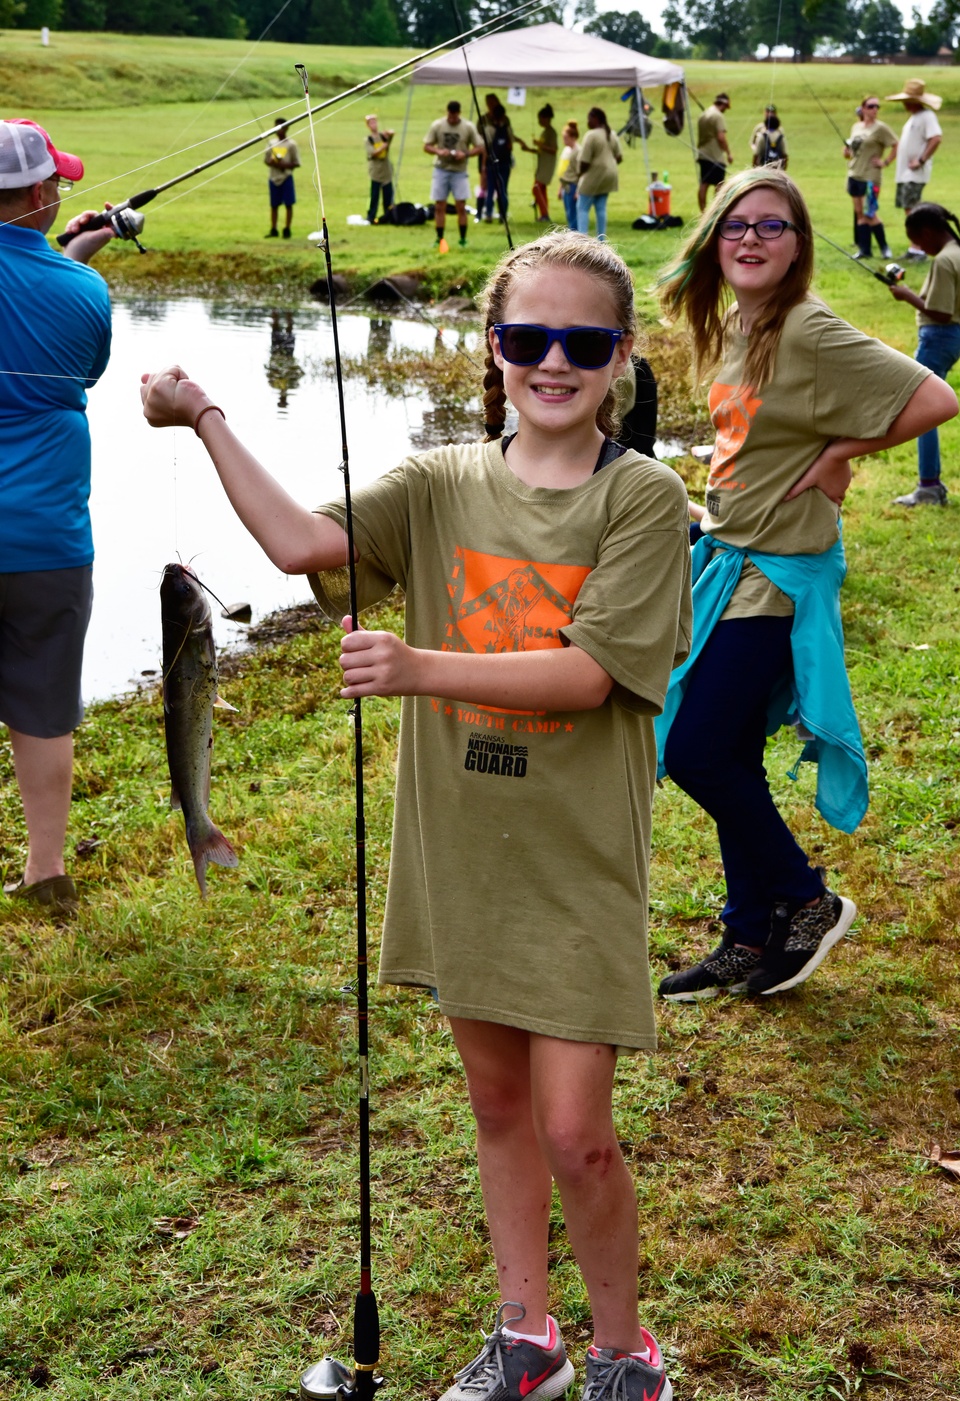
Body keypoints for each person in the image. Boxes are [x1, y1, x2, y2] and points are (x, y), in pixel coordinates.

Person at [140, 230, 692, 1401]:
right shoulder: (440, 481)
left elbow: (593, 675)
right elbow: (303, 546)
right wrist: (206, 418)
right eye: (525, 338)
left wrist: (416, 665)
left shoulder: (644, 498)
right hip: (460, 856)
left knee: (577, 1133)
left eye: (581, 343)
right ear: (491, 349)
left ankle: (624, 1351)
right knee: (497, 1109)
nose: (552, 362)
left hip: (578, 865)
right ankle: (526, 1335)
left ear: (620, 357)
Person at [654, 168, 958, 1001]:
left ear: (798, 247)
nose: (751, 238)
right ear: (715, 239)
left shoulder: (809, 330)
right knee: (733, 752)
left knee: (696, 751)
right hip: (730, 555)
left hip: (776, 573)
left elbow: (935, 396)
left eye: (772, 226)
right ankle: (750, 935)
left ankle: (806, 898)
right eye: (735, 225)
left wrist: (839, 454)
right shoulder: (733, 329)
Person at [0, 118, 115, 916]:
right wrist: (72, 259)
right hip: (46, 540)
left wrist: (59, 251)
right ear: (42, 195)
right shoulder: (85, 294)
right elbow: (77, 358)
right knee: (42, 705)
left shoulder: (71, 277)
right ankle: (46, 874)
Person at [888, 203, 960, 507]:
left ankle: (928, 487)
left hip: (938, 337)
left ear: (928, 232)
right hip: (953, 338)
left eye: (917, 240)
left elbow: (940, 312)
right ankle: (930, 485)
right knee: (926, 410)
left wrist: (907, 296)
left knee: (922, 413)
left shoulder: (943, 261)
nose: (919, 248)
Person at [884, 78, 944, 258]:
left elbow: (936, 138)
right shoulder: (914, 118)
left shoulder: (927, 116)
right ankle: (914, 247)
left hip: (914, 173)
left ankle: (919, 249)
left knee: (914, 210)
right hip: (905, 173)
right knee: (908, 208)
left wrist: (921, 159)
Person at [423, 99, 483, 250]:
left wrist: (465, 154)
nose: (452, 118)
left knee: (461, 206)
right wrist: (439, 151)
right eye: (450, 115)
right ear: (447, 112)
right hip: (441, 169)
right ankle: (439, 238)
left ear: (459, 113)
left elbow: (480, 147)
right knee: (439, 205)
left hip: (459, 171)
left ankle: (463, 239)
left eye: (455, 116)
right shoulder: (438, 125)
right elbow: (426, 146)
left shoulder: (467, 127)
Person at [843, 96, 896, 260]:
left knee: (870, 213)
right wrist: (847, 153)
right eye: (871, 106)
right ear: (863, 108)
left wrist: (885, 162)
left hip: (871, 177)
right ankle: (864, 250)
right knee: (859, 213)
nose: (875, 110)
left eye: (877, 107)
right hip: (854, 174)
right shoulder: (856, 127)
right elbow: (853, 149)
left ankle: (884, 248)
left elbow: (896, 144)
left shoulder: (881, 128)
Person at [576, 108, 622, 241]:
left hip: (594, 175)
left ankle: (581, 240)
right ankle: (602, 240)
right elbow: (619, 157)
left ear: (595, 118)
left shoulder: (591, 135)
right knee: (601, 208)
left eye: (589, 118)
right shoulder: (611, 134)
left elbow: (584, 161)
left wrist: (579, 174)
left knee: (582, 207)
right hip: (610, 176)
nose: (587, 121)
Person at [264, 116, 300, 240]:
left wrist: (283, 165)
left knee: (288, 204)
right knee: (274, 205)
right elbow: (266, 160)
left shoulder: (291, 145)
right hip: (273, 178)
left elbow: (296, 163)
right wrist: (273, 163)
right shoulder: (271, 143)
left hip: (286, 177)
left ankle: (287, 229)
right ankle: (273, 228)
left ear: (286, 128)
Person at [696, 93, 732, 212]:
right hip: (715, 155)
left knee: (704, 183)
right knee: (719, 185)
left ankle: (703, 212)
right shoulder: (718, 116)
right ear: (724, 104)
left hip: (703, 153)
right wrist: (728, 153)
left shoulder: (703, 115)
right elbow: (721, 137)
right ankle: (717, 212)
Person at [364, 113, 394, 225]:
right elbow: (373, 153)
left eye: (375, 121)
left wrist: (390, 135)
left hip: (386, 171)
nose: (374, 124)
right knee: (374, 196)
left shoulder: (383, 136)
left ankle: (389, 216)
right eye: (371, 122)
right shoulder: (368, 139)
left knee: (388, 196)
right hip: (376, 172)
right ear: (368, 125)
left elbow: (390, 139)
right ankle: (371, 217)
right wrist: (383, 147)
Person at [531, 103, 559, 222]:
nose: (539, 121)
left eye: (540, 118)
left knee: (536, 189)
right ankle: (544, 214)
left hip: (547, 166)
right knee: (541, 190)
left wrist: (540, 144)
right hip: (542, 165)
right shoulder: (545, 131)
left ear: (546, 118)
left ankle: (545, 214)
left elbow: (553, 149)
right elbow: (541, 150)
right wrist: (528, 148)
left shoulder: (551, 132)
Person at [558, 121, 581, 229]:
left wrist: (578, 191)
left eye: (565, 137)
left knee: (573, 214)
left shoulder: (578, 151)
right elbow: (565, 172)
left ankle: (574, 237)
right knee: (568, 213)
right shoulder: (567, 150)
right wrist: (560, 188)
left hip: (573, 185)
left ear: (572, 137)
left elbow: (580, 173)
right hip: (566, 185)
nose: (564, 140)